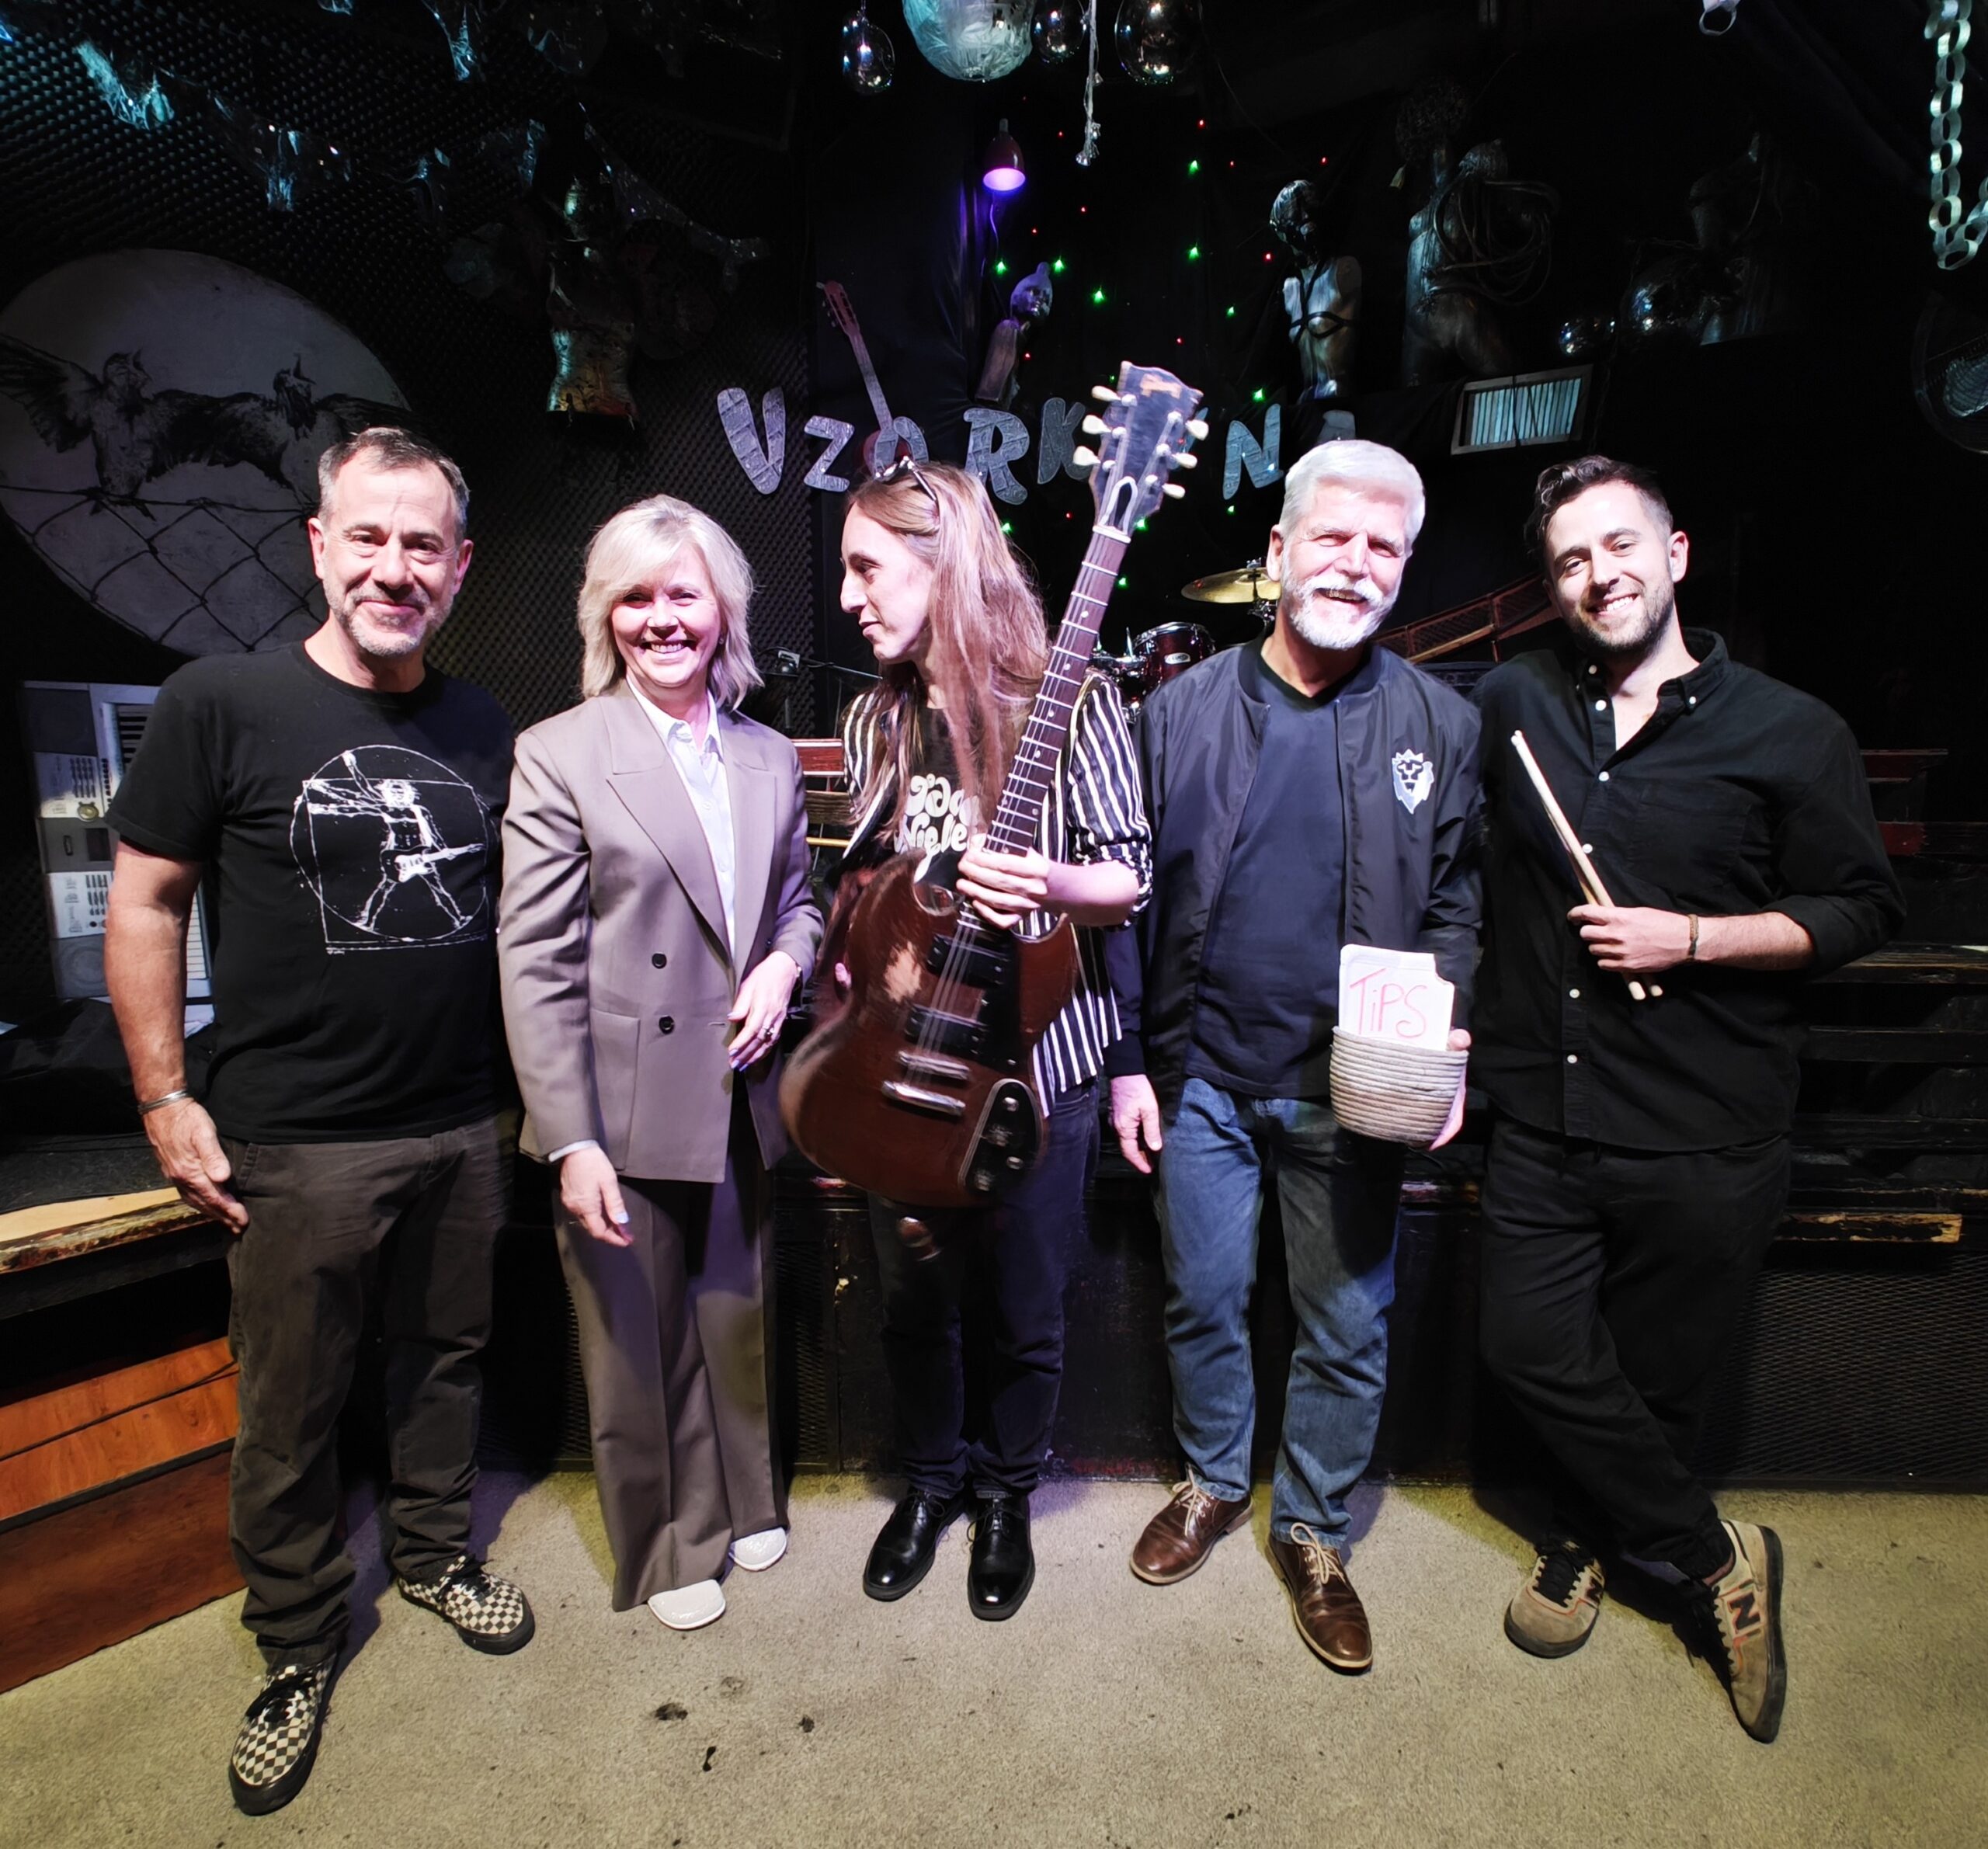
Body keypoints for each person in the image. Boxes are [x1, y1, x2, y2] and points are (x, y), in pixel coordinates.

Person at [103, 428, 530, 1817]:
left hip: (464, 1119)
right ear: (319, 546)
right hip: (294, 1135)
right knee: (289, 1406)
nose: (394, 568)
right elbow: (145, 903)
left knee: (445, 1362)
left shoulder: (485, 726)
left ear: (459, 567)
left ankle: (434, 1554)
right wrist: (164, 1095)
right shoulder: (219, 703)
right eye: (369, 537)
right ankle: (295, 1639)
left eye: (423, 545)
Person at [1471, 456, 1903, 1743]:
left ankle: (1588, 1540)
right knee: (1529, 1344)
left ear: (1675, 555)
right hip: (1545, 1111)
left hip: (1705, 1120)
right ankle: (1718, 1556)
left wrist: (1696, 938)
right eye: (1570, 560)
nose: (1597, 574)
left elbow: (1860, 910)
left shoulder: (1791, 731)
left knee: (1657, 1376)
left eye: (1620, 545)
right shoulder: (1515, 702)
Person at [1109, 439, 1480, 1673]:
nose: (1356, 563)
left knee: (1346, 1322)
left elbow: (1458, 901)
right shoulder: (1177, 713)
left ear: (1404, 567)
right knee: (1203, 1298)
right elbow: (1127, 905)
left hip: (1352, 1088)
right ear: (1279, 550)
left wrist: (1449, 1035)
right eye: (1333, 535)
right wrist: (1130, 1063)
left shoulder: (1442, 723)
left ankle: (1314, 1527)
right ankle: (1216, 1478)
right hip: (1203, 1079)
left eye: (1384, 546)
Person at [833, 459, 1149, 1620]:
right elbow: (862, 876)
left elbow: (1129, 878)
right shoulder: (875, 718)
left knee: (1025, 1308)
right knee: (914, 1304)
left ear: (945, 561)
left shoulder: (1073, 699)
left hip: (1040, 1069)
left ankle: (1008, 1492)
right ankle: (931, 1484)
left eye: (869, 568)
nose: (850, 596)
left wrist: (1047, 879)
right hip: (908, 1067)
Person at [499, 495, 820, 1634]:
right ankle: (671, 1541)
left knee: (734, 1309)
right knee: (639, 1336)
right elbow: (533, 958)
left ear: (722, 608)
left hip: (739, 1087)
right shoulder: (560, 752)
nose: (661, 618)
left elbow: (800, 906)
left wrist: (784, 966)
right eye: (634, 596)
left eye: (682, 593)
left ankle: (746, 1499)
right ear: (605, 615)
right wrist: (571, 1138)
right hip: (620, 1100)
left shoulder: (768, 754)